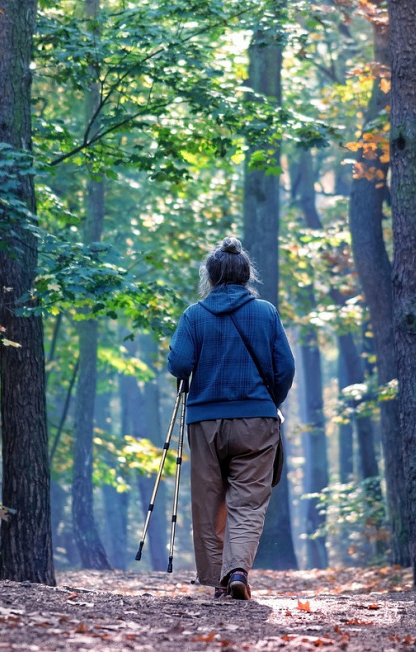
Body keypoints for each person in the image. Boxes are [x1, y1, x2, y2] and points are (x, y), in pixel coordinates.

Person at [167, 237, 296, 600]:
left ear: (210, 276)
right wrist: (270, 401)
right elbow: (285, 367)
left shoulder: (194, 315)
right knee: (249, 502)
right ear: (245, 276)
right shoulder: (266, 313)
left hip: (205, 421)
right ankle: (237, 570)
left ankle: (216, 581)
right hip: (257, 420)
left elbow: (179, 364)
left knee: (209, 502)